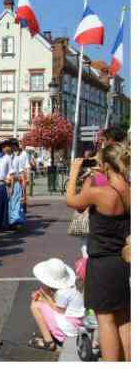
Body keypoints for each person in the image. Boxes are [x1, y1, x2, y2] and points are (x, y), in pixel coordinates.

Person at [66, 143, 130, 361]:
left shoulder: (102, 193)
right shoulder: (130, 190)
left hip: (102, 262)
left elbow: (73, 202)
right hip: (123, 261)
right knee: (124, 318)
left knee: (105, 320)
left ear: (106, 165)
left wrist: (75, 172)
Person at [28, 258, 85, 350]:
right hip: (78, 321)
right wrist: (43, 295)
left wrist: (44, 297)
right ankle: (50, 333)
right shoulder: (70, 287)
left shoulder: (63, 292)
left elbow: (59, 310)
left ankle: (49, 341)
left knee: (35, 305)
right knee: (40, 302)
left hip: (70, 326)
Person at [8, 139, 26, 229]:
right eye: (11, 146)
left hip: (15, 183)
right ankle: (9, 221)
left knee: (16, 202)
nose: (12, 148)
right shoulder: (6, 157)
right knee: (9, 203)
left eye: (14, 146)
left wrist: (23, 184)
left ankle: (15, 221)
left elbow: (21, 171)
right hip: (6, 183)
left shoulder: (17, 158)